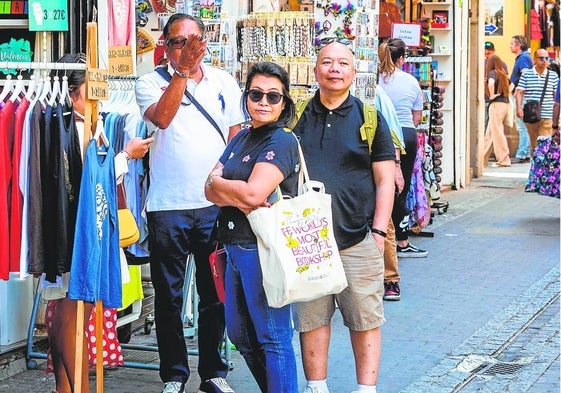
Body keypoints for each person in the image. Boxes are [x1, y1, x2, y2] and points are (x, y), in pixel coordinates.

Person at [134, 13, 245, 393]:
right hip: (168, 204)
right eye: (179, 41)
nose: (188, 48)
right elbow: (162, 119)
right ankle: (175, 375)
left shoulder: (224, 82)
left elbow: (235, 138)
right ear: (165, 45)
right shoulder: (149, 82)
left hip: (214, 204)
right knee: (169, 295)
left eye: (194, 40)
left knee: (214, 293)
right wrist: (180, 73)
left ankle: (213, 372)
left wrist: (226, 182)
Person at [292, 38, 396, 393]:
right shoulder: (296, 115)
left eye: (342, 64)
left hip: (358, 238)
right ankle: (315, 387)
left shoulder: (370, 118)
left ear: (354, 71)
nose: (334, 69)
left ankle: (366, 389)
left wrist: (379, 233)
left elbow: (386, 181)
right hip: (308, 242)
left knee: (364, 319)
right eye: (327, 62)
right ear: (316, 69)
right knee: (312, 318)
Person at [45, 53, 153, 393]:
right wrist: (126, 156)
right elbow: (89, 185)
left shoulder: (89, 123)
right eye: (94, 89)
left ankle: (67, 387)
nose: (101, 96)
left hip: (80, 228)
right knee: (73, 309)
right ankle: (76, 387)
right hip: (75, 231)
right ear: (75, 92)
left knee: (72, 308)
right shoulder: (68, 127)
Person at [205, 61, 299, 393]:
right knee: (240, 335)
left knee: (273, 337)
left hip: (262, 248)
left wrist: (221, 185)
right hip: (232, 246)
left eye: (273, 97)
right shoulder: (242, 137)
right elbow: (207, 189)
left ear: (284, 102)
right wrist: (236, 195)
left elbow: (255, 192)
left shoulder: (282, 141)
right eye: (256, 94)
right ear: (246, 96)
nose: (263, 102)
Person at [378, 38, 428, 260]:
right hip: (405, 133)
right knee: (401, 187)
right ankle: (402, 239)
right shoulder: (410, 80)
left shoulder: (375, 81)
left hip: (379, 133)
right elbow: (417, 116)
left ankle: (380, 234)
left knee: (379, 185)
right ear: (402, 58)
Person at [515, 49, 559, 157]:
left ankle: (542, 171)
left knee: (544, 145)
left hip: (547, 116)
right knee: (534, 145)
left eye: (546, 58)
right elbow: (519, 92)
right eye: (541, 58)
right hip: (531, 116)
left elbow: (556, 98)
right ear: (535, 59)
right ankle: (535, 168)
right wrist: (518, 108)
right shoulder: (526, 75)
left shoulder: (553, 76)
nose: (544, 61)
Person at [483, 54, 512, 168]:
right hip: (504, 103)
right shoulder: (503, 74)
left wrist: (492, 95)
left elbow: (490, 83)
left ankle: (504, 159)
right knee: (490, 133)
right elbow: (512, 84)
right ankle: (482, 158)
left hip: (496, 104)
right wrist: (505, 93)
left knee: (497, 133)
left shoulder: (492, 73)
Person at [509, 35, 534, 163]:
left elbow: (525, 75)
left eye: (512, 43)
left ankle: (522, 154)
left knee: (522, 125)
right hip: (523, 95)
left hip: (521, 96)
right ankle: (523, 153)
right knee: (523, 125)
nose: (510, 46)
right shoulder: (524, 57)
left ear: (519, 45)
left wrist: (518, 90)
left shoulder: (523, 58)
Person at [484, 41, 508, 129]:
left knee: (494, 126)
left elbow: (506, 81)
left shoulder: (501, 64)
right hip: (486, 98)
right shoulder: (481, 64)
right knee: (488, 124)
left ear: (494, 51)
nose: (487, 52)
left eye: (489, 51)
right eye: (485, 50)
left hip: (496, 99)